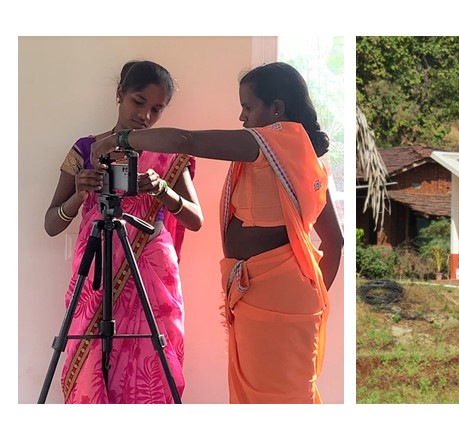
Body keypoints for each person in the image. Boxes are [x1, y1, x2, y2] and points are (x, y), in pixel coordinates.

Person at [91, 61, 344, 404]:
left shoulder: (272, 141)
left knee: (276, 401)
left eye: (248, 107)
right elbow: (335, 242)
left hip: (276, 297)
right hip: (275, 294)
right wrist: (312, 299)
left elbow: (186, 140)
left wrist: (119, 138)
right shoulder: (307, 158)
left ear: (277, 109)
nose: (242, 118)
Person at [45, 60, 203, 403]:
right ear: (120, 94)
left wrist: (163, 190)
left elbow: (195, 219)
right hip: (96, 271)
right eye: (138, 101)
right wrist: (80, 195)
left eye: (157, 109)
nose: (146, 116)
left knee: (152, 365)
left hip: (152, 275)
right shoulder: (87, 149)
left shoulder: (168, 154)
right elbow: (51, 224)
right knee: (91, 363)